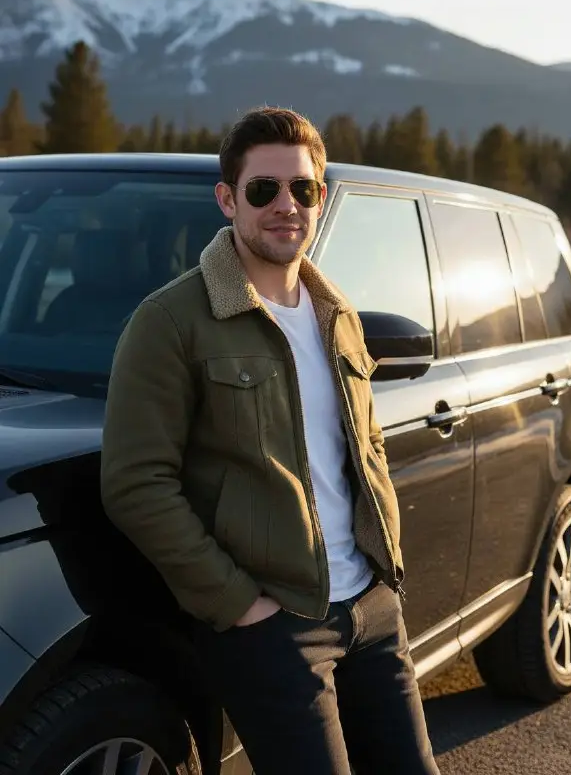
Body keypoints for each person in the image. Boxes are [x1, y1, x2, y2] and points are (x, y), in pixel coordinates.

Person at [100, 106, 440, 775]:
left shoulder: (336, 311)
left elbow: (363, 443)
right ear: (228, 199)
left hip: (371, 605)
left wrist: (386, 568)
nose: (286, 205)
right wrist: (239, 604)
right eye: (264, 190)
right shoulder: (172, 321)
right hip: (276, 624)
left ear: (319, 196)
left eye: (303, 189)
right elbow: (135, 483)